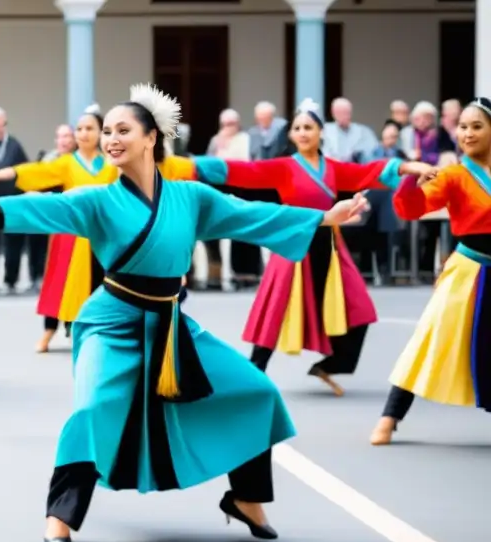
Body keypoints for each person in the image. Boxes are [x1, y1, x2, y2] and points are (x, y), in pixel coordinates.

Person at [0, 85, 371, 542]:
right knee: (92, 409)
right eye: (106, 131)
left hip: (171, 325)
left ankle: (247, 498)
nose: (111, 138)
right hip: (112, 321)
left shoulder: (190, 198)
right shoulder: (97, 200)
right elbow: (49, 208)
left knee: (257, 391)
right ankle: (60, 515)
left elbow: (249, 214)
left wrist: (322, 219)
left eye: (122, 130)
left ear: (151, 137)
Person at [183, 99, 434, 396]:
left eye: (309, 127)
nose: (303, 132)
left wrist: (408, 166)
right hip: (295, 239)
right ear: (290, 134)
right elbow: (244, 171)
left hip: (329, 244)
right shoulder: (284, 167)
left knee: (359, 308)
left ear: (320, 132)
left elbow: (370, 172)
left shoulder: (334, 169)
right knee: (276, 310)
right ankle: (254, 371)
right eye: (298, 128)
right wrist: (190, 166)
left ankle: (331, 363)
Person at [370, 98, 491, 445]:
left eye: (477, 126)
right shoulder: (453, 175)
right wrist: (410, 180)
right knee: (429, 338)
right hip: (468, 269)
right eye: (463, 127)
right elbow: (410, 210)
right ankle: (390, 416)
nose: (467, 133)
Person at [0, 104, 116, 353]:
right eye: (79, 128)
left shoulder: (111, 166)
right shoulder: (67, 163)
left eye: (90, 128)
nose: (83, 133)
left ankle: (98, 332)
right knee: (59, 283)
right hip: (70, 235)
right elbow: (32, 171)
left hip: (102, 237)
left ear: (101, 133)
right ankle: (49, 331)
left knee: (103, 286)